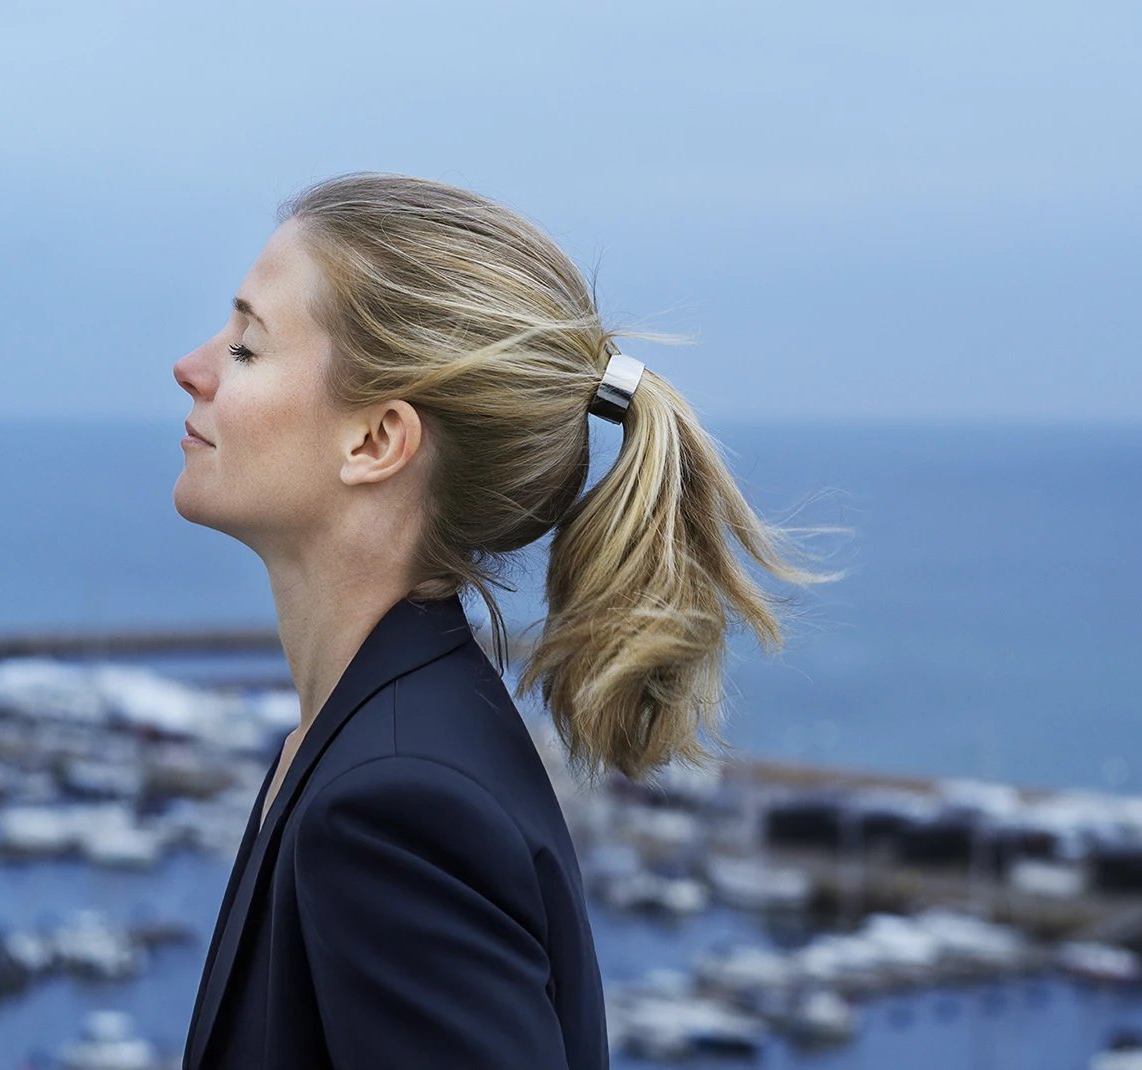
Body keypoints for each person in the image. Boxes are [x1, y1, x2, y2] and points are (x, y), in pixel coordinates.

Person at [170, 172, 824, 1068]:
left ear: (375, 442)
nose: (193, 368)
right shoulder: (369, 744)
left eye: (247, 345)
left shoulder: (392, 803)